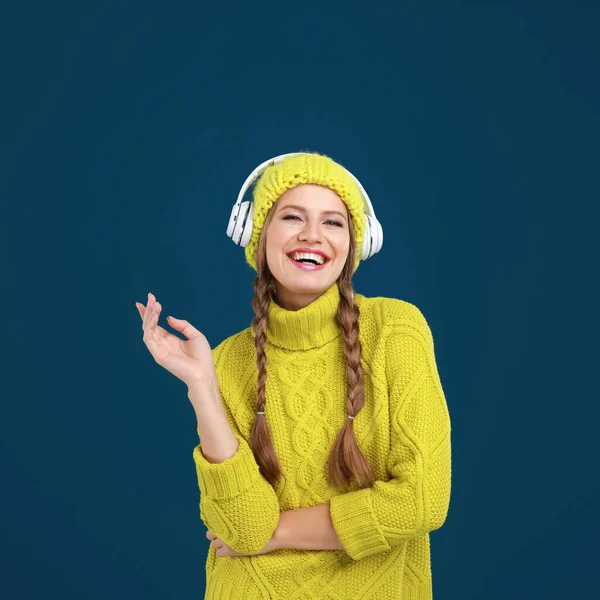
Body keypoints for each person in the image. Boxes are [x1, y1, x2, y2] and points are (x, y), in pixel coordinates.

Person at [136, 151, 452, 599]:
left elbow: (420, 501)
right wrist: (201, 386)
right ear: (256, 235)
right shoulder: (225, 361)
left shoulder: (395, 330)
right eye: (292, 217)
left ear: (355, 243)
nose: (312, 236)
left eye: (332, 222)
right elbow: (242, 527)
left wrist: (276, 532)